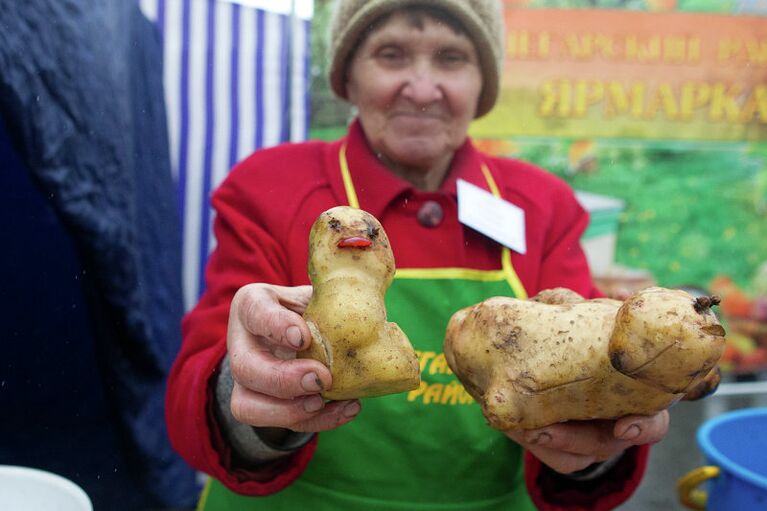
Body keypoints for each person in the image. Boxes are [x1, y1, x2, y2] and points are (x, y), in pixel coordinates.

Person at [165, 1, 670, 509]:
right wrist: (251, 388)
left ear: (482, 85)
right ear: (348, 78)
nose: (423, 88)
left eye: (451, 59)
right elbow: (194, 405)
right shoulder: (271, 186)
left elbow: (593, 381)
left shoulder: (542, 204)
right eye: (391, 54)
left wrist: (599, 435)